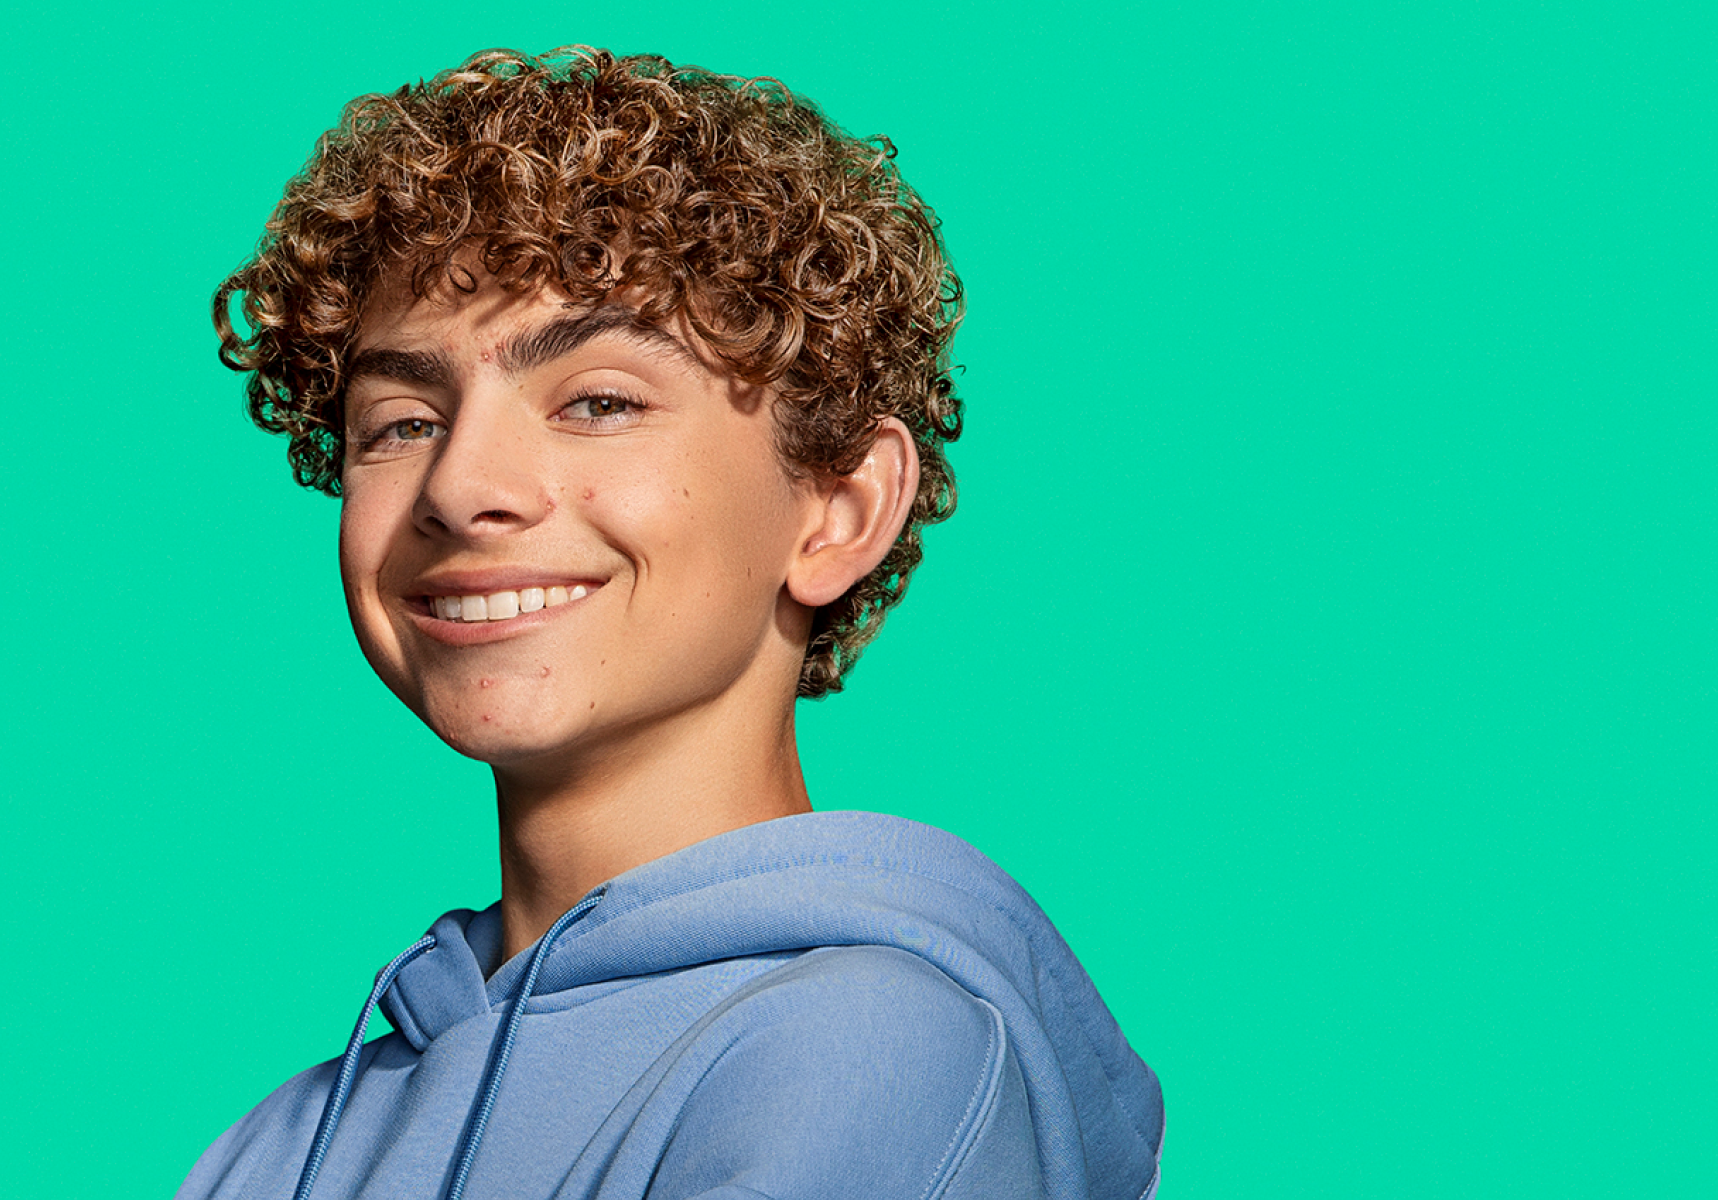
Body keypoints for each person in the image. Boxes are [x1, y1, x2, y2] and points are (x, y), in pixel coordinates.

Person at [181, 47, 1163, 1200]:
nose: (459, 488)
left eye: (599, 402)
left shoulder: (872, 1052)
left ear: (840, 509)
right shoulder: (277, 1149)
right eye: (400, 422)